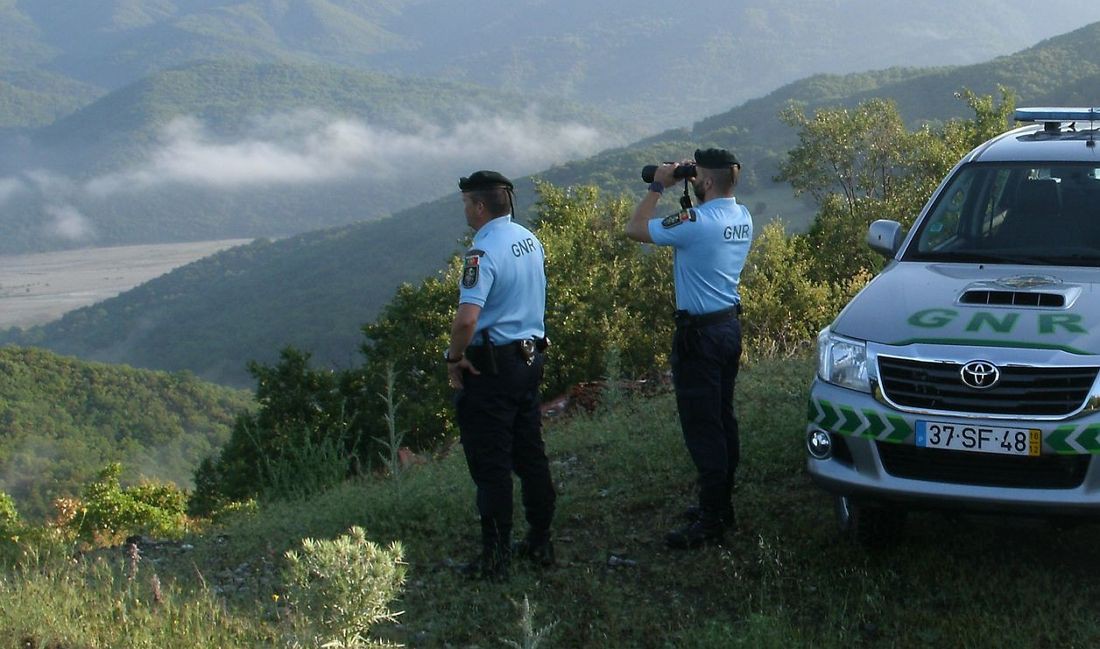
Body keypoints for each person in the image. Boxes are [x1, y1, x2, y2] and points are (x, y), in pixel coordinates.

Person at [625, 148, 753, 549]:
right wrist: (688, 180)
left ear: (709, 181)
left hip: (698, 337)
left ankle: (712, 518)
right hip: (728, 328)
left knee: (703, 426)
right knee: (722, 417)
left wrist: (658, 185)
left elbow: (635, 228)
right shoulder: (742, 216)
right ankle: (720, 505)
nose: (693, 179)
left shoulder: (695, 220)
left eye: (697, 175)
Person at [444, 170, 557, 580]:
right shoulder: (528, 238)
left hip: (492, 370)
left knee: (490, 464)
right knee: (530, 455)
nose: (464, 211)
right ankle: (540, 539)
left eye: (465, 204)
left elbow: (466, 319)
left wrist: (454, 358)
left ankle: (495, 558)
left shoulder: (482, 252)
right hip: (528, 360)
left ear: (478, 205)